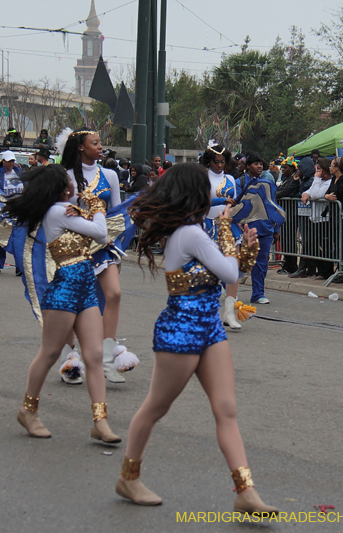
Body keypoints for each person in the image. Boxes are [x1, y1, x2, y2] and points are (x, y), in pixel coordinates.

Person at [116, 162, 276, 515]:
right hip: (182, 328)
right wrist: (227, 229)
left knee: (226, 409)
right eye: (206, 187)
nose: (213, 193)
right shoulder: (190, 234)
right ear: (195, 193)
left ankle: (245, 491)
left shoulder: (195, 232)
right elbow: (229, 271)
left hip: (210, 329)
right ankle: (128, 476)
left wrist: (246, 247)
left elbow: (230, 271)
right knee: (155, 407)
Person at [5, 164, 120, 443]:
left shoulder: (68, 211)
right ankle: (28, 411)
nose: (74, 183)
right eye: (69, 180)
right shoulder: (58, 211)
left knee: (94, 355)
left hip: (85, 288)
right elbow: (101, 234)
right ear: (61, 187)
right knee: (50, 353)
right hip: (64, 289)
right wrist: (97, 206)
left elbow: (95, 232)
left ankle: (100, 421)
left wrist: (87, 209)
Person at [58, 127, 137, 385]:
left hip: (102, 244)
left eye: (100, 143)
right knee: (73, 304)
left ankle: (107, 359)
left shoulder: (110, 175)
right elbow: (59, 211)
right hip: (73, 245)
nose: (101, 147)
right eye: (95, 143)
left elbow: (116, 211)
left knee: (113, 294)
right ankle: (70, 359)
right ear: (81, 147)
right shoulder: (65, 175)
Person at [200, 142, 245, 330]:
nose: (219, 165)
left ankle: (229, 313)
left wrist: (240, 218)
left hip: (229, 226)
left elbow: (235, 203)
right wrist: (221, 200)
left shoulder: (231, 179)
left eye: (222, 162)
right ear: (209, 161)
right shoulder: (202, 177)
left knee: (232, 269)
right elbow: (200, 200)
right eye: (216, 162)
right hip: (207, 226)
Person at [232, 152, 285, 305]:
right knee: (236, 261)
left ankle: (258, 294)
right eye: (255, 164)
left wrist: (276, 229)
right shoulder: (239, 182)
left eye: (260, 164)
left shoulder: (267, 184)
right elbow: (236, 206)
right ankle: (228, 289)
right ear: (248, 166)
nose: (259, 166)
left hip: (265, 228)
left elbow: (272, 206)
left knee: (261, 263)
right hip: (244, 230)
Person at [0, 150, 23, 275]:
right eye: (9, 161)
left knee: (18, 239)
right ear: (3, 162)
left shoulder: (19, 172)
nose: (11, 163)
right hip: (1, 210)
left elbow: (27, 187)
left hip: (17, 210)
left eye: (13, 161)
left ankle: (19, 267)